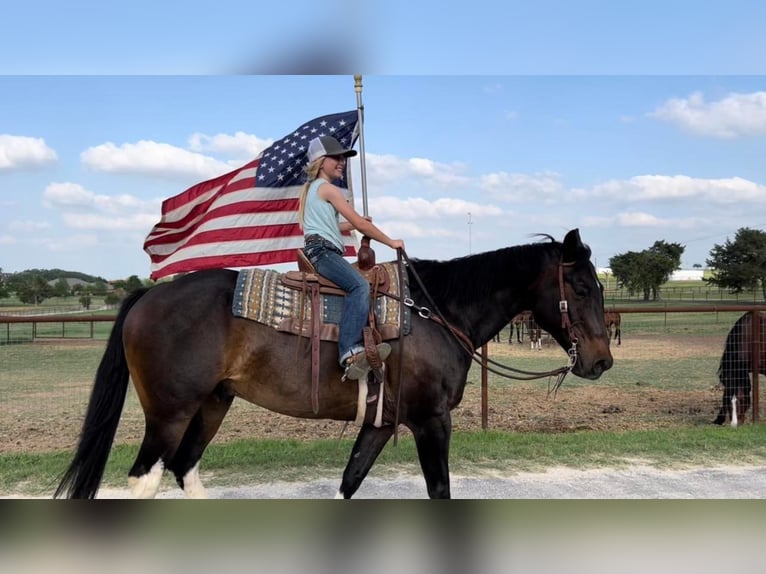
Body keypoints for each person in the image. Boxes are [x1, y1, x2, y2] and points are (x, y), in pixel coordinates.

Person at [298, 135, 405, 381]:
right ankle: (350, 351)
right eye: (335, 157)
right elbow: (357, 222)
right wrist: (391, 241)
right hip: (323, 252)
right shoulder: (328, 189)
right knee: (358, 286)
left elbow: (337, 226)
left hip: (319, 249)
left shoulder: (315, 190)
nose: (341, 162)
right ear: (321, 161)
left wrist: (356, 225)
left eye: (342, 158)